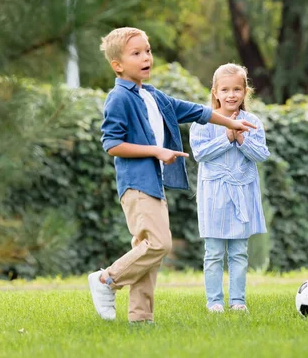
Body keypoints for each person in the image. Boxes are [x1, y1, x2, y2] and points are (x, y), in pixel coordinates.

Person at [89, 27, 257, 324]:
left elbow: (195, 111)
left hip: (153, 183)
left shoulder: (151, 95)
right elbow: (112, 145)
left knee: (146, 250)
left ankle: (141, 318)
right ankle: (107, 279)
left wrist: (232, 123)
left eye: (148, 50)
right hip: (136, 184)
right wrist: (156, 151)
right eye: (136, 53)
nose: (146, 57)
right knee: (159, 244)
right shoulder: (119, 98)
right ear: (117, 65)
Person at [190, 63, 270, 313]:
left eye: (237, 89)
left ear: (245, 91)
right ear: (215, 92)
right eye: (225, 89)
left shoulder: (252, 121)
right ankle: (214, 301)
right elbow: (200, 153)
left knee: (238, 252)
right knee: (213, 252)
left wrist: (241, 137)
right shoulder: (203, 121)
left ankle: (237, 301)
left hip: (241, 195)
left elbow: (261, 154)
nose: (231, 95)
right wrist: (226, 137)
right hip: (214, 196)